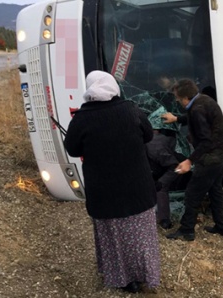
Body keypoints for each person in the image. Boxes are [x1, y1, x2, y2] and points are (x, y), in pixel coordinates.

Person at [63, 71, 160, 293]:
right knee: (142, 236)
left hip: (105, 193)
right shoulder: (131, 110)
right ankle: (147, 274)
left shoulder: (81, 118)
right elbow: (148, 136)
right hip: (138, 188)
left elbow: (72, 148)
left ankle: (125, 280)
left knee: (114, 239)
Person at [162, 78, 223, 241]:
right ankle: (222, 227)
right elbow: (194, 117)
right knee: (215, 190)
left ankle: (187, 230)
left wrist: (189, 161)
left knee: (192, 194)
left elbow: (206, 141)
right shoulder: (203, 100)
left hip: (210, 158)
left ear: (185, 98)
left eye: (178, 99)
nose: (178, 101)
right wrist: (177, 119)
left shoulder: (197, 109)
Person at [145, 106, 186, 230]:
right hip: (159, 165)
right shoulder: (148, 142)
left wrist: (161, 182)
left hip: (176, 165)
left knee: (160, 188)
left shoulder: (155, 147)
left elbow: (174, 166)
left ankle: (164, 220)